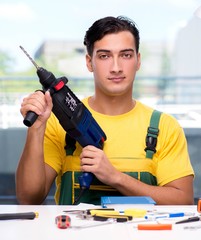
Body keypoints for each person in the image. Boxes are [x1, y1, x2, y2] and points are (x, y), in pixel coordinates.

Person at [16, 16, 194, 205]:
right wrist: (35, 129)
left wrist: (116, 178)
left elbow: (183, 201)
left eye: (125, 55)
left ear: (138, 60)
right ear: (89, 62)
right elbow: (29, 198)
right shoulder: (58, 123)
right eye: (104, 56)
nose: (116, 68)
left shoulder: (164, 127)